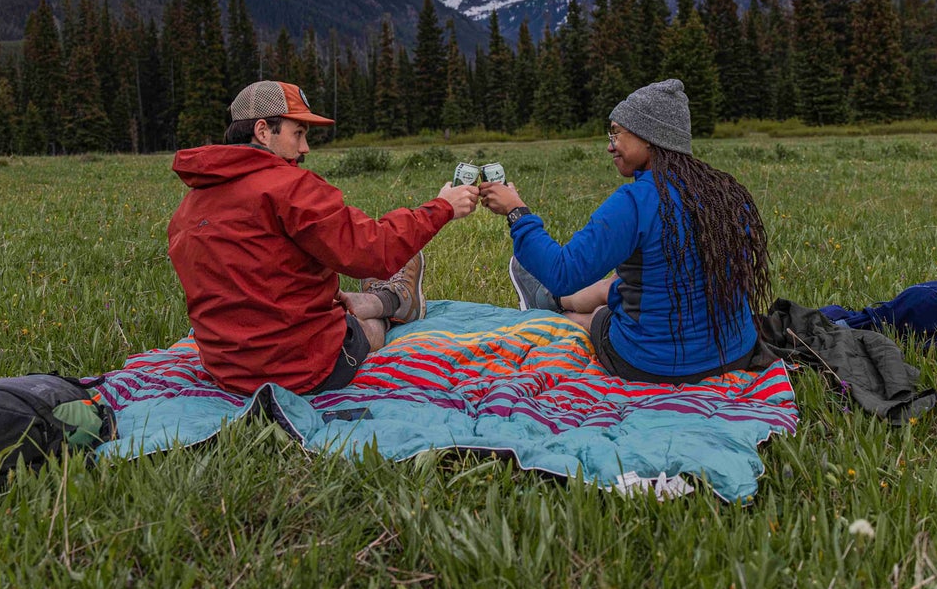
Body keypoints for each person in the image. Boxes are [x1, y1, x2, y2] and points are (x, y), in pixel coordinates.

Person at [167, 79, 480, 395]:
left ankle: (376, 299)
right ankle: (394, 302)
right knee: (365, 330)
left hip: (228, 372)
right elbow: (374, 250)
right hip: (302, 371)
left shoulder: (188, 208)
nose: (305, 148)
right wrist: (443, 208)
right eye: (298, 134)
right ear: (263, 131)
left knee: (336, 300)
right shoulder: (291, 188)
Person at [478, 78, 771, 383]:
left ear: (649, 137)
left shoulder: (635, 202)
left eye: (616, 133)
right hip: (736, 353)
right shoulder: (725, 192)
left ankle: (553, 311)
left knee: (597, 317)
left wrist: (517, 211)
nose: (609, 145)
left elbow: (563, 272)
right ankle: (547, 299)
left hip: (653, 363)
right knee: (618, 284)